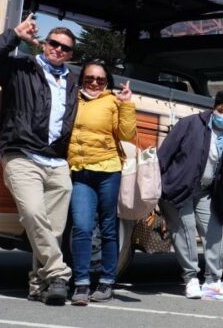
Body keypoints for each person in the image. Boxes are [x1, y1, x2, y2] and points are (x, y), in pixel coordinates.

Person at [0, 14, 78, 305]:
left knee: (53, 229)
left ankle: (39, 286)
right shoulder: (22, 67)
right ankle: (59, 274)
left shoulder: (72, 80)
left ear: (71, 54)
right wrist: (15, 35)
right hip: (21, 153)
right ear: (44, 45)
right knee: (34, 214)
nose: (58, 50)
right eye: (53, 44)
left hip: (56, 162)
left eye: (65, 48)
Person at [158, 90, 223, 300]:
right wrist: (158, 187)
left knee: (214, 232)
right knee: (185, 232)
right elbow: (164, 155)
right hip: (179, 188)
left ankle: (213, 282)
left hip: (207, 191)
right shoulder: (190, 124)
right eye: (220, 110)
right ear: (213, 109)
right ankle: (191, 280)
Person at [67, 60, 136, 305]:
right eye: (89, 78)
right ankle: (82, 284)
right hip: (80, 170)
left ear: (107, 82)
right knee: (82, 227)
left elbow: (127, 134)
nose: (95, 83)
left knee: (108, 228)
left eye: (100, 79)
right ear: (81, 79)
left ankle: (107, 281)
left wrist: (127, 105)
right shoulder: (72, 98)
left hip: (108, 170)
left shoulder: (113, 101)